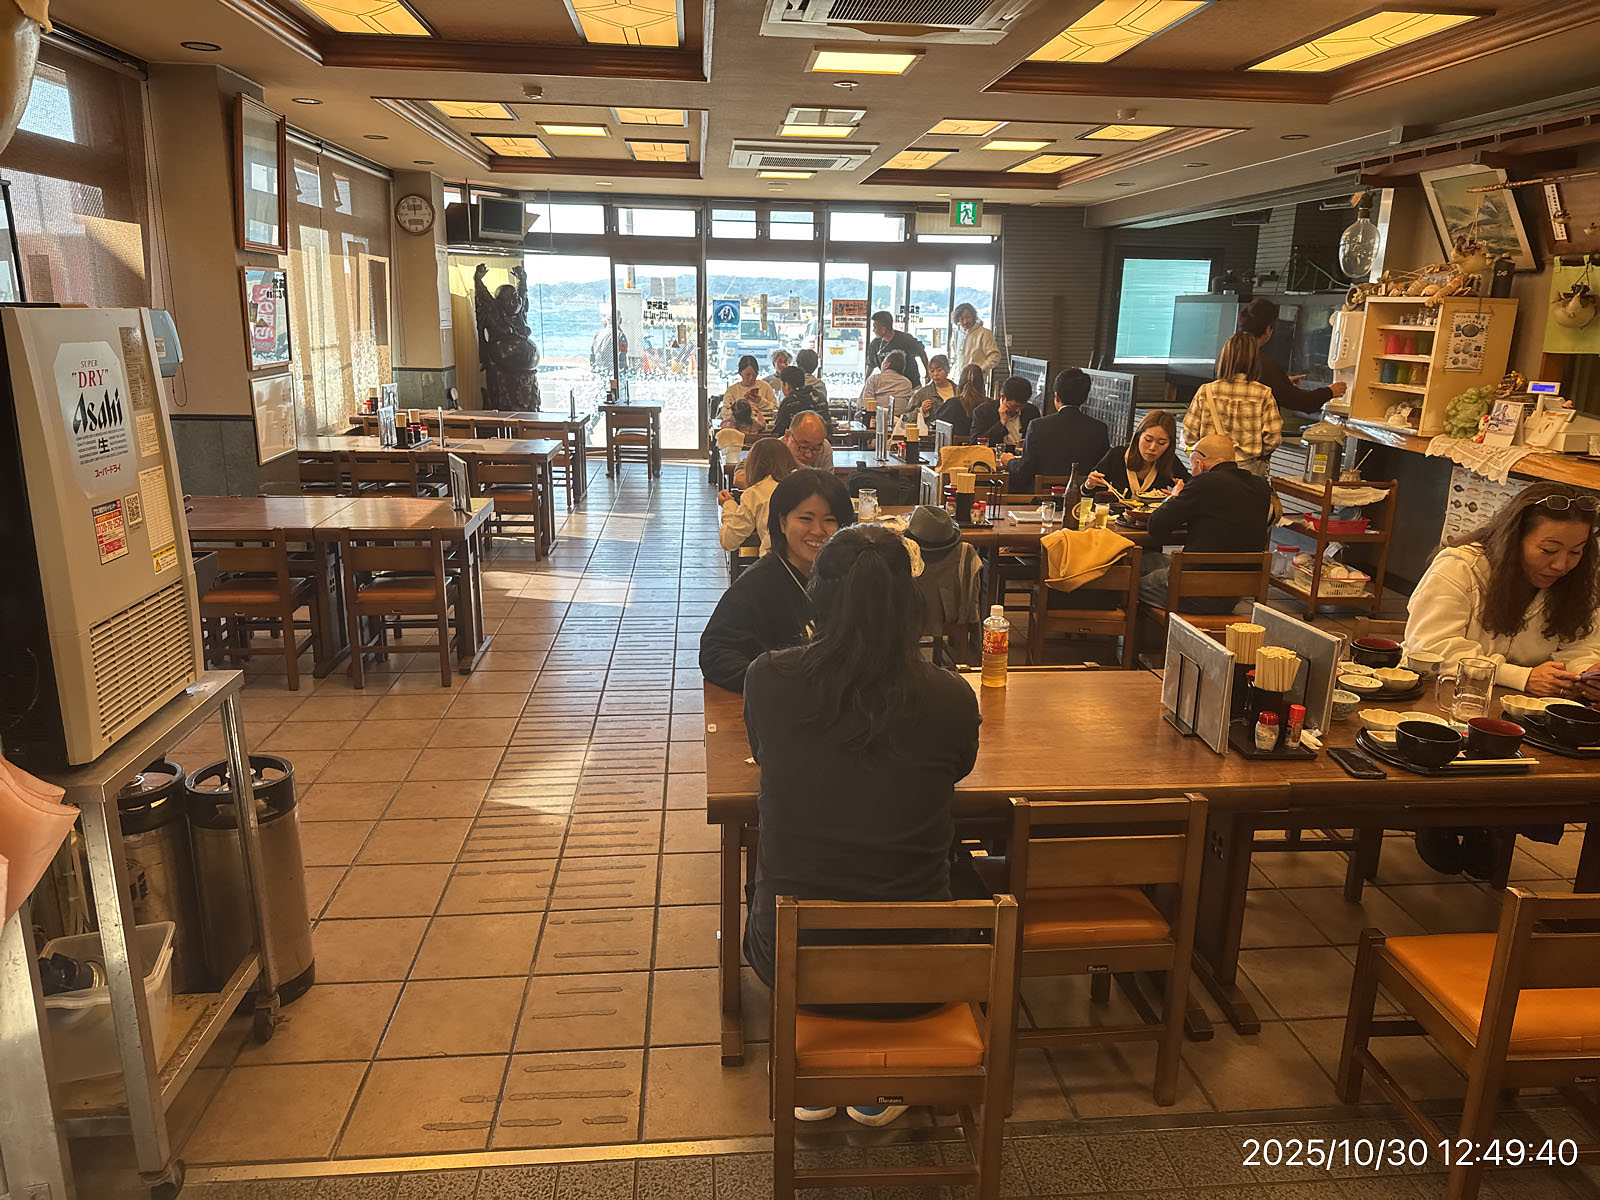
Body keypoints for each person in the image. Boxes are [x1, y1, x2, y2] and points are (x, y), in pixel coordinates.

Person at [742, 524, 980, 1127]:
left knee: (764, 876)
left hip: (794, 961)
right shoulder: (951, 696)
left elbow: (765, 754)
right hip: (918, 974)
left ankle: (817, 1069)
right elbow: (958, 769)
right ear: (909, 607)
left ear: (817, 600)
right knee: (968, 871)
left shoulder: (768, 678)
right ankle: (876, 1085)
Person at [1405, 482, 1600, 877]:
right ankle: (1443, 819)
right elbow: (1431, 647)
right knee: (1464, 739)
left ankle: (1493, 824)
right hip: (1447, 700)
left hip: (1526, 713)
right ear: (1514, 538)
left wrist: (1585, 673)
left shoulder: (1580, 580)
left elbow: (1584, 643)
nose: (1562, 565)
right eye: (1549, 550)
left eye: (1576, 551)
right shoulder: (1462, 566)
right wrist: (1522, 677)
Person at [699, 469, 855, 692]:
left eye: (830, 520)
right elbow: (714, 653)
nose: (818, 531)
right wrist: (778, 685)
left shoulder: (847, 575)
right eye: (806, 518)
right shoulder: (757, 584)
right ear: (782, 522)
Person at [1139, 434, 1271, 612]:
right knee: (1149, 560)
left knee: (1130, 582)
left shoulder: (1204, 482)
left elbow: (1156, 526)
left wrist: (1175, 497)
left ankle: (1150, 630)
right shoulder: (1261, 486)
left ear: (1200, 464)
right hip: (1233, 593)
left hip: (1193, 591)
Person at [1181, 331, 1282, 477]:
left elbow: (1189, 434)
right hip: (1247, 469)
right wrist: (1255, 453)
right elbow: (1273, 438)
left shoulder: (1206, 391)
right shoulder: (1263, 394)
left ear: (1224, 358)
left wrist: (1206, 451)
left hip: (1209, 468)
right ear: (1254, 360)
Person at [1236, 297, 1347, 414]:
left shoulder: (1233, 356)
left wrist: (1283, 383)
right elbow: (1301, 402)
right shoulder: (1263, 364)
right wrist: (1330, 391)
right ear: (1268, 329)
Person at [1006, 369, 1109, 493]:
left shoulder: (1037, 426)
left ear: (1056, 396)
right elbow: (1101, 472)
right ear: (1085, 398)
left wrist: (1010, 461)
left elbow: (1024, 472)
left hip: (1042, 498)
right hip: (1082, 497)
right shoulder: (1099, 429)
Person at [718, 437, 796, 556]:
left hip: (775, 561)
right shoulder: (803, 482)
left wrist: (728, 505)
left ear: (753, 465)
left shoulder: (756, 493)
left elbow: (729, 540)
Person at [1086, 410, 1189, 499]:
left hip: (1153, 516)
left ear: (1170, 445)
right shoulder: (1117, 456)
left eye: (1161, 443)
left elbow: (1191, 489)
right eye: (1148, 440)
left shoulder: (1170, 462)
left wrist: (1179, 497)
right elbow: (1086, 494)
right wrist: (1089, 485)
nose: (1152, 447)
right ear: (1138, 436)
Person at [974, 375, 1041, 450]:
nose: (1018, 410)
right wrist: (1001, 423)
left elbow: (1037, 441)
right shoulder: (983, 411)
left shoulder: (1032, 412)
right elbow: (974, 443)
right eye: (1014, 406)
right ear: (1003, 397)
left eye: (1022, 406)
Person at [865, 310, 928, 388]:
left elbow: (922, 352)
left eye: (875, 327)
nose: (873, 330)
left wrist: (927, 372)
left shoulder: (906, 339)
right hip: (890, 386)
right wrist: (866, 382)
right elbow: (870, 364)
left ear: (883, 329)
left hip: (912, 384)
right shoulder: (875, 344)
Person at [770, 366, 831, 438]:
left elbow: (778, 431)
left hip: (799, 443)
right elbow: (828, 426)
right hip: (821, 442)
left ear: (786, 385)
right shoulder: (820, 396)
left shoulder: (788, 402)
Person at [721, 354, 777, 428]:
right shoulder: (732, 390)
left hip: (762, 426)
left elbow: (775, 410)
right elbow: (724, 413)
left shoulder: (764, 387)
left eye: (754, 375)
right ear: (740, 373)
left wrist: (760, 401)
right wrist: (741, 405)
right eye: (747, 375)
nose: (751, 378)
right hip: (738, 427)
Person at [859, 348, 914, 421]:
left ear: (886, 365)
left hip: (876, 420)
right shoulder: (907, 383)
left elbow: (865, 403)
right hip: (900, 421)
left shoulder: (875, 379)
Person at [934, 363, 986, 439]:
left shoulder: (951, 405)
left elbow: (938, 429)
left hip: (952, 447)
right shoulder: (990, 406)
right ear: (982, 384)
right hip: (983, 447)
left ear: (960, 384)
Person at [952, 302, 1000, 378]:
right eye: (962, 318)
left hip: (977, 378)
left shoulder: (985, 333)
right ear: (957, 319)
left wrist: (980, 369)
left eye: (968, 317)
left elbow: (995, 356)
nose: (965, 321)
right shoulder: (957, 332)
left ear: (974, 316)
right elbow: (955, 355)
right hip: (958, 377)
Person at [912, 354, 957, 427]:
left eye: (939, 370)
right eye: (932, 371)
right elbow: (905, 417)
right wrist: (922, 411)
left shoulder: (959, 391)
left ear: (947, 370)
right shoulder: (922, 393)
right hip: (932, 432)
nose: (935, 374)